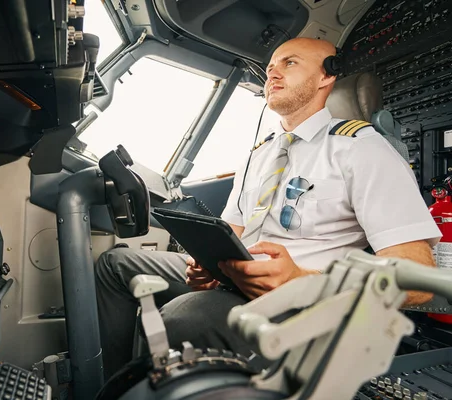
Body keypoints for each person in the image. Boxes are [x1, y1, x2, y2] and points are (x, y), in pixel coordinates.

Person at [95, 37, 441, 380]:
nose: (272, 74)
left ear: (327, 76)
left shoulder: (361, 149)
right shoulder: (259, 154)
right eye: (270, 67)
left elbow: (418, 277)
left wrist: (302, 280)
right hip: (236, 278)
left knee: (182, 317)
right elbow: (234, 232)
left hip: (303, 297)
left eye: (289, 63)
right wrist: (207, 265)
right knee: (116, 264)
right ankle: (117, 386)